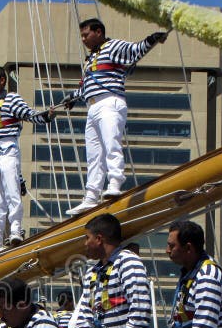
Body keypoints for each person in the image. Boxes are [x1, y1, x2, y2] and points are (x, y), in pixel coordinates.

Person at [65, 19, 168, 216]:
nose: (84, 39)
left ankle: (115, 181)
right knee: (94, 154)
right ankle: (91, 196)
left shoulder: (112, 46)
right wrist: (73, 97)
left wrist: (151, 39)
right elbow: (86, 84)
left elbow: (135, 50)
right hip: (93, 106)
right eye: (82, 36)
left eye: (86, 34)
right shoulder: (90, 59)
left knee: (111, 143)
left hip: (109, 101)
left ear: (98, 32)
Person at [0, 66, 55, 258]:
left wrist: (46, 116)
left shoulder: (12, 99)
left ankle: (16, 229)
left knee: (11, 190)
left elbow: (28, 114)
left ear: (2, 80)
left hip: (7, 147)